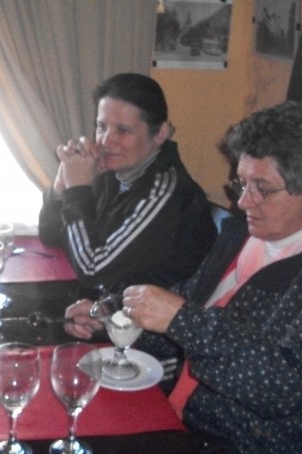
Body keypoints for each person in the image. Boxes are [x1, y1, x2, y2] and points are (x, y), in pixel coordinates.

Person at [38, 101, 302, 454]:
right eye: (242, 183)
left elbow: (284, 386)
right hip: (190, 431)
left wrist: (182, 318)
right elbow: (187, 304)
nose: (243, 201)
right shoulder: (244, 234)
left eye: (262, 188)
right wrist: (114, 316)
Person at [38, 73, 217, 298]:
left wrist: (77, 190)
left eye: (122, 131)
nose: (106, 141)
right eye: (101, 126)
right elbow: (50, 235)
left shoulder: (164, 193)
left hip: (144, 317)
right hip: (108, 303)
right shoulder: (113, 174)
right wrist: (62, 184)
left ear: (160, 133)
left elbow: (92, 270)